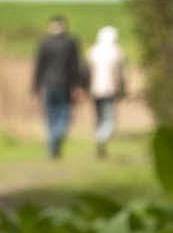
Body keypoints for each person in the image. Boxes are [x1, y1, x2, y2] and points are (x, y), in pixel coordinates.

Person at [32, 16, 85, 159]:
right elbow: (75, 67)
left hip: (49, 84)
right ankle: (55, 139)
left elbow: (38, 68)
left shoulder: (44, 43)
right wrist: (77, 85)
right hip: (64, 85)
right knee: (64, 115)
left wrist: (35, 88)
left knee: (51, 115)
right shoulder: (71, 42)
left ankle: (52, 143)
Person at [87, 26, 127, 158]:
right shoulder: (116, 52)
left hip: (95, 90)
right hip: (110, 90)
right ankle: (101, 137)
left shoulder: (93, 51)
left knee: (99, 118)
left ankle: (100, 141)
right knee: (109, 119)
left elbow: (88, 72)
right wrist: (122, 89)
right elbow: (119, 73)